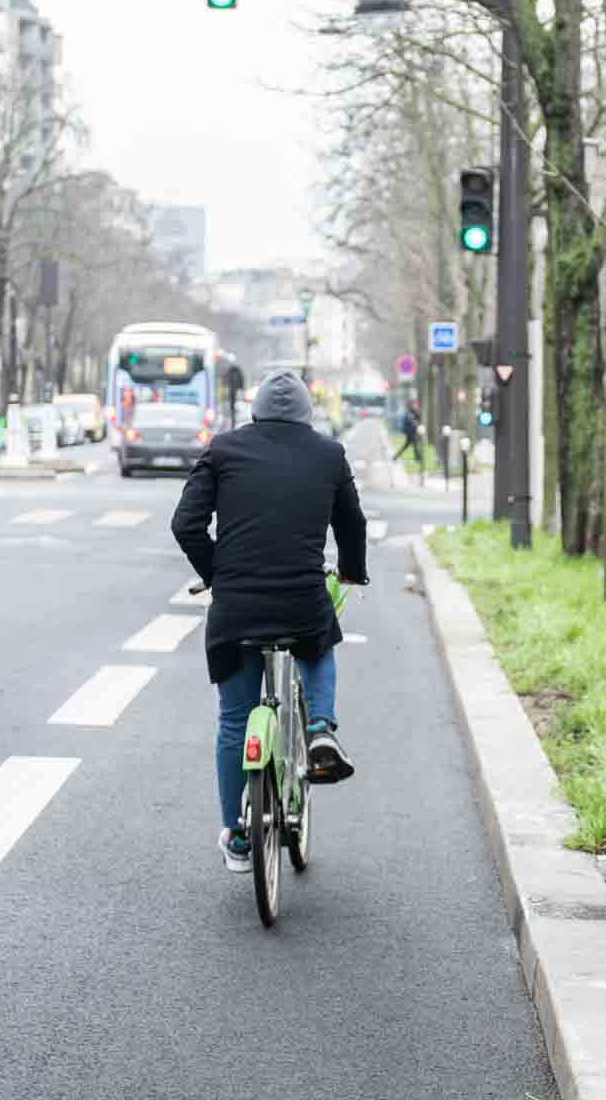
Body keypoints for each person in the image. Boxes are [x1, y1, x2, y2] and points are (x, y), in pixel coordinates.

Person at [172, 369, 368, 874]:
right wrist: (351, 570)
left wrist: (217, 572)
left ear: (255, 411)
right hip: (301, 600)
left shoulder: (222, 450)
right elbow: (352, 523)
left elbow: (185, 523)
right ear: (306, 413)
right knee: (320, 641)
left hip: (236, 607)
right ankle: (321, 726)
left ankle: (236, 837)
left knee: (234, 721)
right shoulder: (328, 454)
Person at [392, 399, 423, 466]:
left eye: (416, 404)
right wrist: (415, 423)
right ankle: (418, 458)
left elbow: (418, 420)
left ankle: (395, 457)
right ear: (412, 405)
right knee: (414, 444)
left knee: (407, 445)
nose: (416, 406)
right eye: (415, 405)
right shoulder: (410, 412)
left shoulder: (415, 412)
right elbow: (411, 421)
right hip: (410, 432)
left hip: (412, 431)